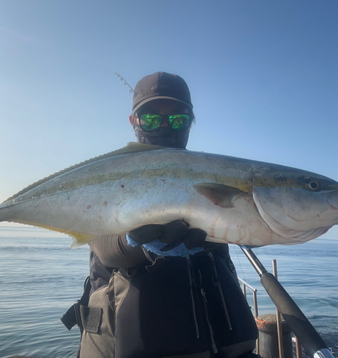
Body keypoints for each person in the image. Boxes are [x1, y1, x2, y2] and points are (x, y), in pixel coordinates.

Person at [62, 72, 259, 358]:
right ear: (134, 122)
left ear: (191, 123)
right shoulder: (108, 177)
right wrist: (135, 241)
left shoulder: (212, 178)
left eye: (178, 119)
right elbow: (104, 250)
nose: (165, 127)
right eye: (151, 119)